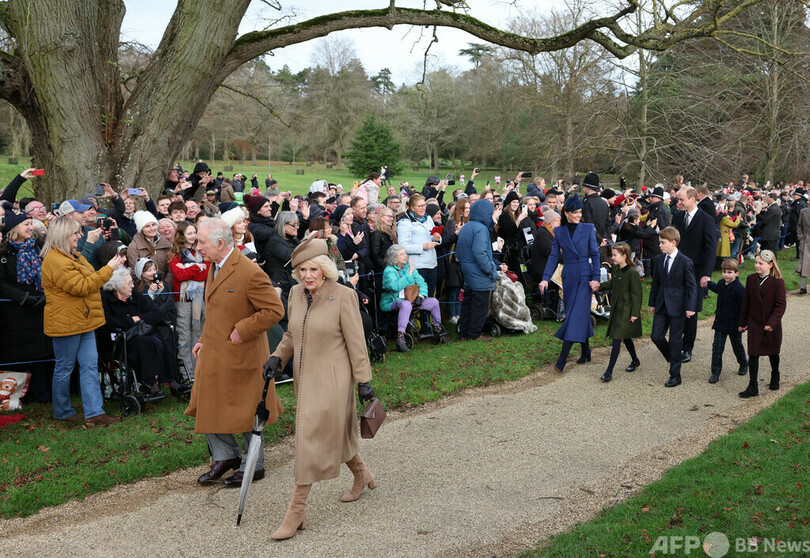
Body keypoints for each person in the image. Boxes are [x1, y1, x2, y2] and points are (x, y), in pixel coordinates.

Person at [264, 238, 375, 540]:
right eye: (302, 270)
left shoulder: (343, 295)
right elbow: (291, 334)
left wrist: (364, 381)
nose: (307, 275)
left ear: (325, 269)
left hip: (334, 381)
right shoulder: (296, 294)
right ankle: (362, 474)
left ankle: (296, 510)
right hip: (305, 379)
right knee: (334, 432)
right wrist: (277, 357)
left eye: (313, 269)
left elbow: (356, 342)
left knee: (310, 439)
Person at [185, 218, 285, 487]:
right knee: (208, 403)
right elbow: (218, 311)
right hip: (215, 353)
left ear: (220, 243)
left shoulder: (249, 272)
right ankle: (226, 457)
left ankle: (255, 465)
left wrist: (243, 329)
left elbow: (274, 310)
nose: (198, 247)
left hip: (243, 356)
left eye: (202, 243)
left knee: (246, 410)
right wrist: (204, 339)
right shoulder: (214, 266)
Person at [41, 216, 126, 426]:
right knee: (65, 368)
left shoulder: (74, 256)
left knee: (89, 366)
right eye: (75, 233)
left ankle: (95, 412)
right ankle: (62, 411)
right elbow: (82, 286)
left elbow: (89, 280)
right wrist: (110, 268)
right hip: (66, 323)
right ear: (63, 235)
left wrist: (107, 270)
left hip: (84, 320)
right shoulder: (55, 261)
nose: (79, 236)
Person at [539, 195, 601, 371]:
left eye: (580, 212)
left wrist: (596, 278)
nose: (579, 215)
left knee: (574, 316)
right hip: (568, 278)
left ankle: (562, 359)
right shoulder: (559, 231)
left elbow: (595, 254)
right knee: (577, 314)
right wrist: (545, 278)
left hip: (585, 277)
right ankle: (586, 350)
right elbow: (553, 256)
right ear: (566, 213)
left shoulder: (588, 228)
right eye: (575, 212)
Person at [0, 202, 53, 402]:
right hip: (14, 312)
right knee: (17, 354)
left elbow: (48, 273)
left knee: (40, 354)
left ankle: (42, 395)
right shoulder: (4, 252)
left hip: (39, 308)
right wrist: (23, 298)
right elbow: (1, 283)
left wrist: (45, 295)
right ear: (15, 228)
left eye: (31, 224)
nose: (31, 228)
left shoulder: (36, 248)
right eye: (26, 224)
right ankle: (15, 397)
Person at [100, 268, 179, 396]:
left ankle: (172, 380)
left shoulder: (136, 296)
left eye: (132, 282)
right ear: (117, 286)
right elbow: (108, 322)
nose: (133, 286)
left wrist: (137, 318)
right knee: (145, 343)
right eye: (129, 283)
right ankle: (150, 382)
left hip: (141, 336)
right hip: (119, 341)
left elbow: (156, 314)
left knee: (161, 341)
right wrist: (130, 321)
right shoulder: (105, 300)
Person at [671, 187, 717, 363]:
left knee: (691, 310)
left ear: (692, 199)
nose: (678, 203)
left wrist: (706, 274)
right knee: (676, 306)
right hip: (676, 270)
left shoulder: (706, 219)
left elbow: (711, 248)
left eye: (681, 199)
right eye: (677, 199)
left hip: (696, 272)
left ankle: (687, 347)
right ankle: (676, 341)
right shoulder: (677, 217)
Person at [648, 227, 697, 388]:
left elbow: (691, 286)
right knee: (656, 336)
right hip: (661, 304)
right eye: (660, 242)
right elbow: (656, 283)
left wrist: (690, 307)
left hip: (678, 306)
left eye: (663, 242)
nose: (660, 245)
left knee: (675, 341)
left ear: (673, 242)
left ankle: (675, 375)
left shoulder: (685, 261)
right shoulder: (659, 260)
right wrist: (652, 303)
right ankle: (674, 357)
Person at [738, 250, 786, 398]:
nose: (756, 265)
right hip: (754, 322)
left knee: (773, 351)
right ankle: (753, 385)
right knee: (753, 353)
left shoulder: (778, 282)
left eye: (760, 263)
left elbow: (780, 306)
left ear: (770, 265)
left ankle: (775, 375)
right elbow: (746, 302)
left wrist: (772, 323)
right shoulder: (751, 279)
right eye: (756, 262)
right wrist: (742, 322)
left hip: (771, 324)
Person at [381, 244, 447, 352]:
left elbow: (422, 283)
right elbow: (395, 287)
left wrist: (421, 295)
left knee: (434, 302)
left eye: (405, 253)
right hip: (392, 301)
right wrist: (409, 274)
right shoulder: (389, 271)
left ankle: (438, 330)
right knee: (406, 304)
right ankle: (400, 338)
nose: (405, 256)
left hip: (411, 299)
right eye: (401, 254)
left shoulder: (409, 267)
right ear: (394, 258)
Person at [456, 199, 504, 341]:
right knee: (480, 305)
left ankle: (464, 332)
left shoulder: (466, 227)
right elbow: (480, 253)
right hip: (479, 272)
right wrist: (490, 270)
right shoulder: (481, 229)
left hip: (467, 269)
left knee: (468, 303)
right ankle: (475, 334)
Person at [596, 242, 642, 382]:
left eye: (615, 255)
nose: (612, 258)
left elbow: (637, 295)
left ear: (624, 255)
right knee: (626, 337)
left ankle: (609, 371)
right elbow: (612, 284)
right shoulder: (615, 269)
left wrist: (635, 313)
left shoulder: (632, 273)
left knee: (616, 339)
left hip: (626, 311)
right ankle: (635, 360)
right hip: (617, 310)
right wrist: (599, 286)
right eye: (612, 255)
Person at [168, 221, 208, 378]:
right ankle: (187, 374)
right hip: (183, 300)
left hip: (200, 298)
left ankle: (200, 371)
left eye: (194, 232)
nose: (193, 236)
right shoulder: (174, 254)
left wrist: (188, 269)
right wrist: (198, 267)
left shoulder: (203, 251)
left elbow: (208, 272)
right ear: (181, 235)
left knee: (199, 334)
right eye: (189, 233)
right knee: (184, 336)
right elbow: (179, 275)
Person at [707, 259, 748, 384]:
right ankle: (715, 372)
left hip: (734, 324)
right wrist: (708, 283)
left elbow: (745, 308)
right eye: (724, 272)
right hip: (720, 322)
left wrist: (743, 324)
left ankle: (743, 363)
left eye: (729, 272)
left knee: (737, 346)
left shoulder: (740, 289)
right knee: (717, 348)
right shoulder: (721, 283)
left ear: (736, 273)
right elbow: (718, 289)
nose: (726, 275)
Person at [397, 193, 441, 297]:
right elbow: (403, 246)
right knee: (418, 297)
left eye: (424, 205)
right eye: (420, 206)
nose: (423, 208)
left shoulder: (428, 219)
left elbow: (433, 237)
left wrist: (437, 238)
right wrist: (422, 247)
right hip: (417, 266)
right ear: (412, 208)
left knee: (430, 296)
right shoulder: (405, 222)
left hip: (432, 264)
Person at [441, 198, 469, 323]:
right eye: (465, 208)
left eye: (469, 208)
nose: (467, 210)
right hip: (453, 260)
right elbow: (450, 239)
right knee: (453, 288)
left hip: (464, 260)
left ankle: (459, 312)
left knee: (461, 289)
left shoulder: (469, 222)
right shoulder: (452, 222)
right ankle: (451, 314)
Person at [127, 210, 172, 282]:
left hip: (166, 285)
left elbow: (171, 269)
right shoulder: (134, 247)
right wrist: (150, 286)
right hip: (145, 286)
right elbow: (135, 272)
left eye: (153, 225)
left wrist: (166, 285)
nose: (152, 229)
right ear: (141, 229)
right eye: (147, 226)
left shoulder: (166, 244)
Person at [265, 211, 301, 299]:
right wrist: (307, 241)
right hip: (281, 284)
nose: (297, 227)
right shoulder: (275, 241)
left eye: (297, 224)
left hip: (290, 280)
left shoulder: (293, 240)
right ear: (283, 225)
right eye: (294, 225)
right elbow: (292, 256)